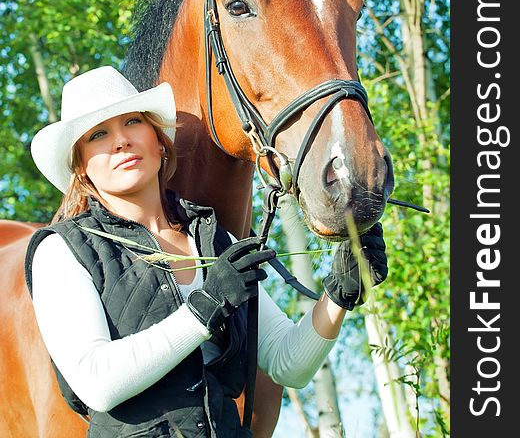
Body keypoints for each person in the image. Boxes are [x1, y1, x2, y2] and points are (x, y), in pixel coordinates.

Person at [25, 66, 388, 438]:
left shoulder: (214, 241)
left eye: (132, 122)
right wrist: (205, 307)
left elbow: (288, 363)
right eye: (99, 135)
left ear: (157, 140)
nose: (121, 141)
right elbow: (97, 383)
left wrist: (339, 294)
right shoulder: (60, 250)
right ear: (82, 166)